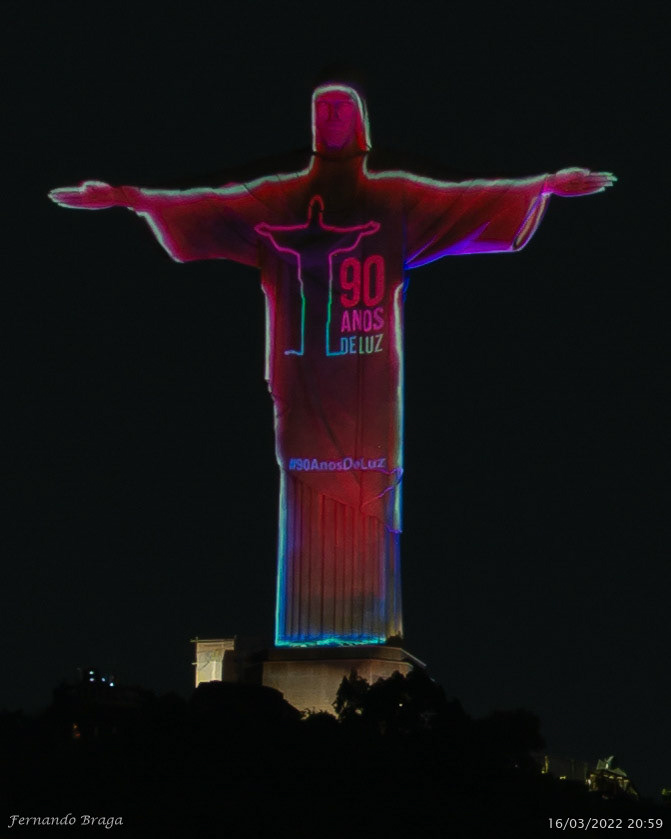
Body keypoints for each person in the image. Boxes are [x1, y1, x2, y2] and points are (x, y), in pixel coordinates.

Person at [49, 82, 615, 647]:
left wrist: (544, 187)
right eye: (323, 107)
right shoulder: (279, 200)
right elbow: (208, 207)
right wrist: (127, 196)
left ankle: (368, 636)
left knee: (370, 508)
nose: (333, 115)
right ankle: (304, 635)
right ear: (312, 120)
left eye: (343, 106)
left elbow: (465, 201)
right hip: (304, 376)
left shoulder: (393, 197)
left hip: (368, 394)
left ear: (361, 118)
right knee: (303, 505)